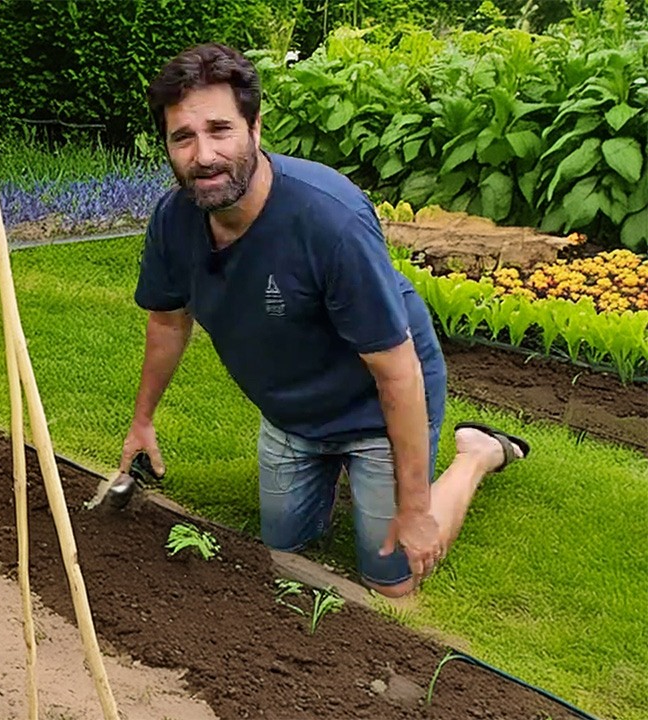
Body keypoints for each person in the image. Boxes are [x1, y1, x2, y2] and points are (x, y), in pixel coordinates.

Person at [119, 42, 531, 598]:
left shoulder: (329, 220)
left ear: (255, 128)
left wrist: (414, 510)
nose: (203, 155)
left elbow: (397, 374)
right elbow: (168, 322)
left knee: (393, 580)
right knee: (283, 550)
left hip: (372, 407)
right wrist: (143, 421)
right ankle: (337, 474)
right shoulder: (175, 221)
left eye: (220, 130)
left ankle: (477, 454)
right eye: (183, 137)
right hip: (292, 415)